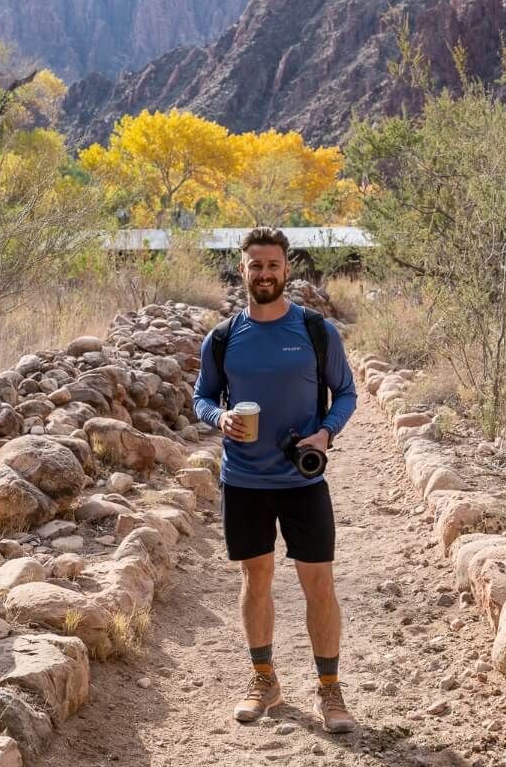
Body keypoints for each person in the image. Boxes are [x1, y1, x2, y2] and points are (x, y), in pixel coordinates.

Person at [193, 226, 357, 733]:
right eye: (255, 265)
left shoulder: (315, 331)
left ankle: (330, 690)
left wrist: (325, 434)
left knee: (319, 586)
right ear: (241, 271)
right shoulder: (221, 340)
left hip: (304, 482)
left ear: (288, 270)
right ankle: (264, 678)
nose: (264, 273)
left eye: (272, 265)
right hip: (243, 481)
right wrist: (218, 419)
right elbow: (201, 397)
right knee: (255, 580)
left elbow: (347, 393)